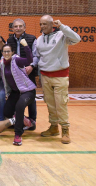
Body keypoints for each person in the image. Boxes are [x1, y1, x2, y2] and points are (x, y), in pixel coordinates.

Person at [36, 16, 80, 144]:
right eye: (41, 24)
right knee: (50, 103)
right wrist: (40, 75)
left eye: (45, 24)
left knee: (61, 103)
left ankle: (65, 129)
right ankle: (54, 127)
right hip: (45, 76)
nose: (42, 26)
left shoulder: (62, 35)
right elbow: (40, 58)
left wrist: (62, 26)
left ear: (52, 24)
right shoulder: (39, 40)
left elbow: (77, 39)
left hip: (60, 76)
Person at [1, 41, 36, 146]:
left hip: (28, 91)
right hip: (16, 92)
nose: (6, 53)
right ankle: (27, 122)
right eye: (4, 51)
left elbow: (30, 60)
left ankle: (18, 134)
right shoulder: (2, 63)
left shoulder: (16, 60)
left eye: (8, 51)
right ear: (2, 53)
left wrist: (26, 46)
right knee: (7, 112)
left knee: (19, 106)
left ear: (12, 52)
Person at [6, 18, 38, 130]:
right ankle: (19, 119)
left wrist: (32, 66)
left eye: (20, 26)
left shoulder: (32, 38)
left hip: (29, 71)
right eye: (15, 26)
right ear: (12, 28)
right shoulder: (9, 41)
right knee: (17, 95)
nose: (18, 28)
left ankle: (32, 121)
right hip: (15, 73)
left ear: (24, 27)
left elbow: (36, 55)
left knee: (30, 97)